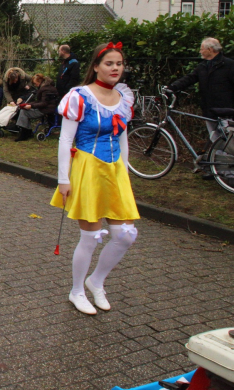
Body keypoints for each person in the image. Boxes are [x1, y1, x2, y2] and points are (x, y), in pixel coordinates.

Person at [50, 42, 139, 316]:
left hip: (114, 172)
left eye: (119, 64)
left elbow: (122, 135)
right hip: (87, 169)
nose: (115, 68)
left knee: (124, 236)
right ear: (96, 66)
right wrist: (63, 179)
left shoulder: (123, 98)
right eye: (109, 63)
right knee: (90, 237)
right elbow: (65, 139)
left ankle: (96, 281)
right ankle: (77, 290)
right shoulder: (80, 96)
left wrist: (124, 170)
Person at [170, 37, 234, 143]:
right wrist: (173, 87)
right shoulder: (203, 66)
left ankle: (227, 159)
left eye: (202, 49)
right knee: (215, 138)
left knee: (229, 140)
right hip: (209, 109)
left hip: (226, 110)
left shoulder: (230, 65)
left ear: (210, 49)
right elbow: (190, 78)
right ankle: (217, 158)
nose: (200, 51)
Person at [14, 74, 59, 142]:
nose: (35, 85)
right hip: (46, 108)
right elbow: (41, 102)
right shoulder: (48, 88)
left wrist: (31, 106)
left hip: (45, 110)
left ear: (40, 81)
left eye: (35, 83)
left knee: (24, 112)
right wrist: (29, 104)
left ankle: (25, 133)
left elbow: (43, 103)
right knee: (24, 110)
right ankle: (26, 132)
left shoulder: (46, 89)